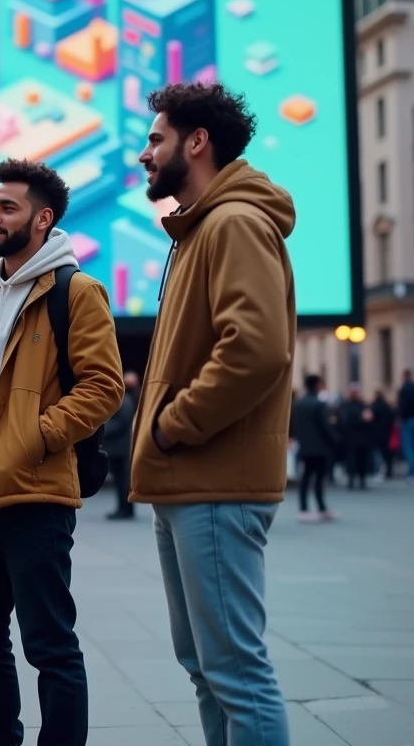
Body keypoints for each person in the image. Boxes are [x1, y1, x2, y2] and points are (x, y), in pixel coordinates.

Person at [0, 157, 123, 746]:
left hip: (35, 495)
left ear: (41, 219)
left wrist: (34, 438)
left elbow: (104, 385)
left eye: (6, 206)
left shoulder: (77, 291)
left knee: (50, 645)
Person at [129, 82, 292, 746]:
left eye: (156, 138)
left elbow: (256, 349)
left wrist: (175, 424)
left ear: (196, 142)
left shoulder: (232, 223)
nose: (145, 154)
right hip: (191, 481)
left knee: (235, 674)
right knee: (205, 668)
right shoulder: (200, 228)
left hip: (215, 481)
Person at [293, 375, 338, 520]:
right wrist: (336, 439)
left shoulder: (299, 404)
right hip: (320, 447)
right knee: (319, 478)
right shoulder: (319, 404)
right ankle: (321, 508)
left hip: (305, 446)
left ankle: (304, 509)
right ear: (318, 384)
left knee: (306, 477)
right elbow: (326, 427)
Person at [104, 371, 139, 520]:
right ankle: (124, 508)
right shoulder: (126, 399)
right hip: (120, 447)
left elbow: (120, 423)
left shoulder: (124, 401)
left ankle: (124, 509)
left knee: (122, 481)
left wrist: (103, 430)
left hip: (121, 448)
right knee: (121, 481)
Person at [339, 384, 373, 490]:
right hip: (351, 437)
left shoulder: (363, 405)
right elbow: (344, 420)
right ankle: (351, 478)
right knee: (351, 459)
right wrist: (361, 419)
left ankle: (361, 478)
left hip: (362, 437)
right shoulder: (345, 405)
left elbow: (368, 418)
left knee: (362, 459)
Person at [370, 390, 395, 479]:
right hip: (386, 432)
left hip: (377, 432)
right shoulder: (386, 406)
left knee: (379, 452)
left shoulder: (375, 406)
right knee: (386, 452)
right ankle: (388, 470)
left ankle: (379, 470)